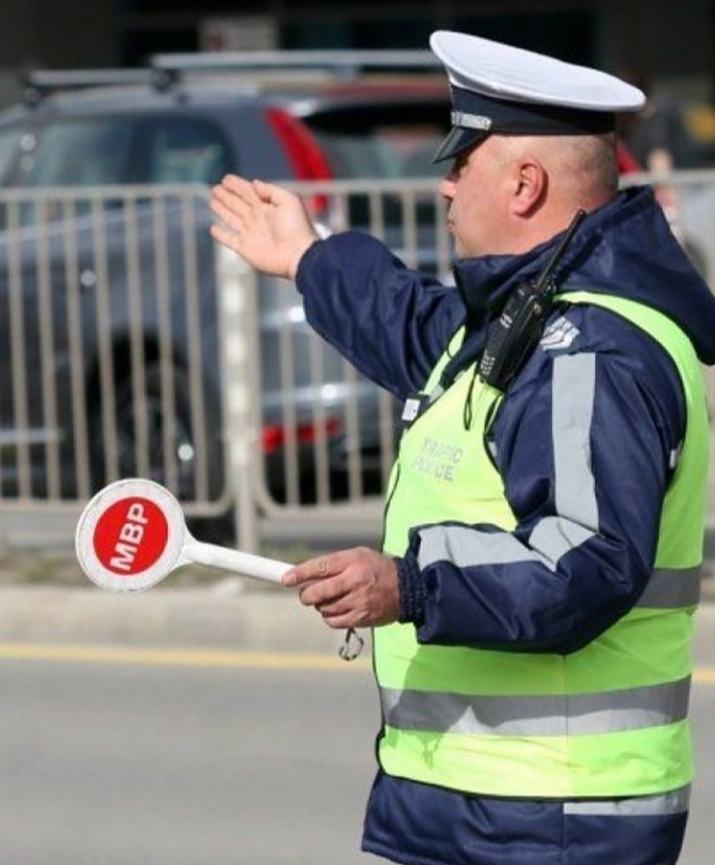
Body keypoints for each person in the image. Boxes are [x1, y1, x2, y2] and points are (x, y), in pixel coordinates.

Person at [210, 30, 715, 865]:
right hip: (479, 799)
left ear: (524, 183)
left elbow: (584, 562)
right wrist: (307, 257)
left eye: (461, 159)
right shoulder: (528, 322)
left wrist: (407, 584)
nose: (443, 183)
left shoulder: (590, 349)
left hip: (551, 813)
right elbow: (417, 330)